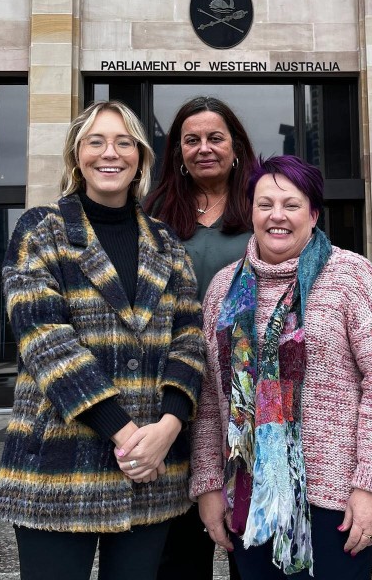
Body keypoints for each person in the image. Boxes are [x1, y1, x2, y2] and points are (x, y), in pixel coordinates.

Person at [0, 100, 206, 580]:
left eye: (124, 142)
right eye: (96, 141)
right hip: (61, 466)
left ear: (140, 159)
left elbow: (189, 340)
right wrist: (129, 438)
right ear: (77, 156)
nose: (110, 153)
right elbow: (46, 341)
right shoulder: (40, 232)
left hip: (151, 473)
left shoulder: (167, 243)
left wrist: (169, 427)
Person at [191, 155, 372, 580]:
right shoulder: (222, 288)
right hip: (249, 495)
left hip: (336, 501)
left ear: (312, 213)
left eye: (291, 204)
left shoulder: (351, 276)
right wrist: (208, 484)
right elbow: (211, 401)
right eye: (264, 204)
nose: (277, 216)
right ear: (250, 212)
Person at [146, 97, 254, 579]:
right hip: (171, 396)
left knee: (248, 542)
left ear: (236, 147)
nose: (204, 148)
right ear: (177, 152)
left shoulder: (263, 203)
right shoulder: (152, 212)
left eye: (216, 138)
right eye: (192, 140)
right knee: (176, 553)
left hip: (248, 399)